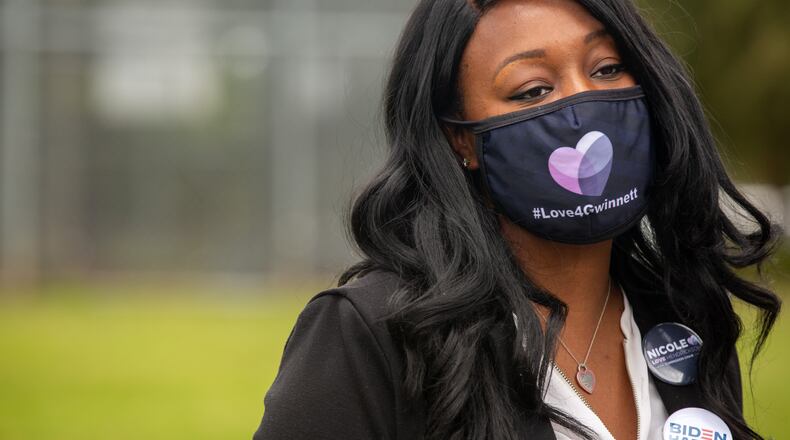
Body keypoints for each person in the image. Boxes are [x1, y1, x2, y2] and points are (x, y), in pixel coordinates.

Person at [252, 0, 782, 439]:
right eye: (533, 90)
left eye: (606, 69)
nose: (583, 105)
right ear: (461, 140)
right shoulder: (372, 334)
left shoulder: (684, 317)